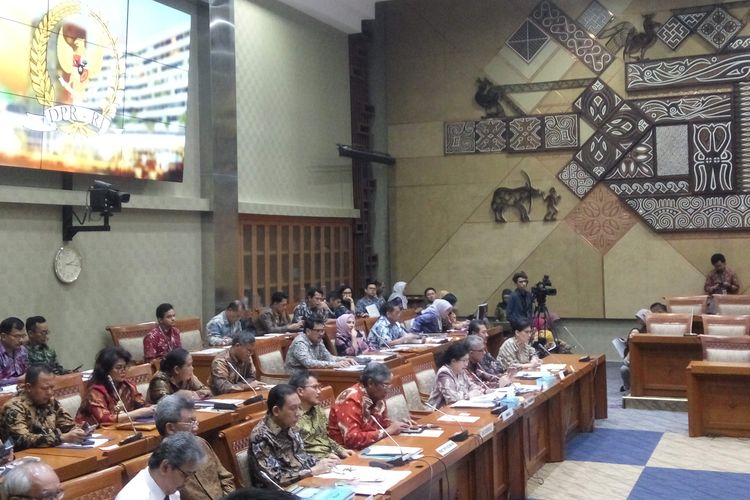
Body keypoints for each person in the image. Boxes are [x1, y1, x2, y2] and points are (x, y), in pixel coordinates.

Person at [249, 384, 337, 487]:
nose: (298, 413)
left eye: (299, 407)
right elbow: (274, 479)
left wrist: (322, 461)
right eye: (293, 408)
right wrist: (310, 471)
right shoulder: (261, 437)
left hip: (303, 482)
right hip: (279, 493)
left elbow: (302, 457)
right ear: (276, 411)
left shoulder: (290, 425)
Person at [155, 395, 235, 499]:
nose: (196, 427)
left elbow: (226, 478)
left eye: (195, 421)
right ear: (170, 428)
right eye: (190, 422)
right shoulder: (164, 466)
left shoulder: (201, 443)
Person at [0, 365, 88, 451]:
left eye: (52, 388)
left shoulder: (50, 401)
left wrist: (77, 431)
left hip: (51, 452)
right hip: (24, 458)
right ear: (29, 387)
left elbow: (67, 425)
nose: (50, 393)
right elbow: (22, 440)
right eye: (45, 388)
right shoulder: (14, 408)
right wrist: (61, 438)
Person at [327, 363, 410, 450]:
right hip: (348, 453)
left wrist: (398, 426)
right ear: (370, 383)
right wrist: (387, 431)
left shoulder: (376, 395)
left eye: (390, 385)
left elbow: (382, 424)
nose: (388, 389)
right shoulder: (351, 399)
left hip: (374, 446)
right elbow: (352, 440)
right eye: (385, 385)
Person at [76, 346, 154, 425]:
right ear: (106, 370)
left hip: (122, 428)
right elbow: (104, 419)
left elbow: (142, 405)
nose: (123, 371)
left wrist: (154, 408)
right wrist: (138, 413)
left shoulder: (128, 386)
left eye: (125, 367)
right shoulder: (95, 392)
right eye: (118, 367)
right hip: (96, 432)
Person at [116, 431, 205, 500]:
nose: (187, 481)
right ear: (165, 467)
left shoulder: (170, 489)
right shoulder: (132, 497)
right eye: (185, 475)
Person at [289, 371, 352, 459]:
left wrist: (340, 450)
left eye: (319, 387)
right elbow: (294, 452)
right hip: (311, 463)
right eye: (315, 387)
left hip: (330, 456)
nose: (319, 391)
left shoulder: (317, 408)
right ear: (300, 391)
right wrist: (322, 458)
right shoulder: (290, 416)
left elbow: (324, 437)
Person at [285, 317, 357, 377]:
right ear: (308, 331)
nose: (321, 334)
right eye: (318, 331)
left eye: (322, 330)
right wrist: (334, 364)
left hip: (311, 375)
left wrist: (344, 359)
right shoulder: (300, 343)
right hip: (296, 378)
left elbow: (328, 357)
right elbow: (309, 363)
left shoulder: (318, 340)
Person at [427, 341, 485, 408]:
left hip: (459, 409)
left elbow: (472, 386)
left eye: (467, 360)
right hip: (439, 412)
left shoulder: (461, 371)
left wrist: (481, 391)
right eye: (464, 361)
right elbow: (452, 399)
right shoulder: (443, 374)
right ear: (453, 361)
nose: (466, 364)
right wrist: (470, 395)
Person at [466, 321, 509, 388]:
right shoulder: (466, 364)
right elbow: (477, 385)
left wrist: (506, 375)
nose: (487, 335)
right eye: (483, 332)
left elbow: (495, 371)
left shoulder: (479, 352)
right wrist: (499, 383)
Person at [0, 317, 28, 386]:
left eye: (23, 336)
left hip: (21, 389)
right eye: (17, 336)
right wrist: (18, 379)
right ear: (3, 336)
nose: (21, 340)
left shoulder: (22, 350)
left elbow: (26, 372)